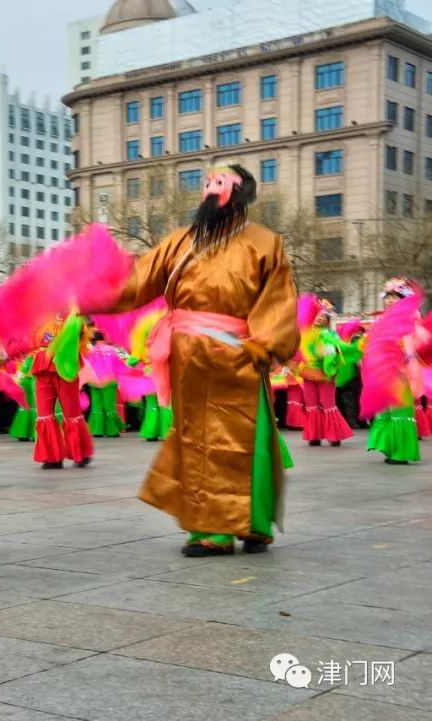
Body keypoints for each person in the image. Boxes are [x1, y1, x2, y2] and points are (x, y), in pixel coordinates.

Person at [106, 165, 298, 556]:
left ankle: (251, 524)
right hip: (189, 356)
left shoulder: (264, 242)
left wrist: (264, 345)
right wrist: (86, 287)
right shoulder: (180, 242)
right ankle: (213, 525)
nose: (212, 191)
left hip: (239, 353)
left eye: (221, 185)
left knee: (245, 438)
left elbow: (277, 299)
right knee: (198, 440)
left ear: (242, 194)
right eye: (208, 184)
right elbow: (136, 282)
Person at [366, 277, 422, 465]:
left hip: (402, 368)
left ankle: (401, 453)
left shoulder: (412, 315)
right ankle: (390, 448)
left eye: (395, 296)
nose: (390, 300)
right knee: (387, 409)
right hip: (385, 369)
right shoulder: (383, 318)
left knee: (400, 409)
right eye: (388, 296)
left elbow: (414, 341)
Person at [33, 317, 93, 470]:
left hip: (65, 367)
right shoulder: (41, 315)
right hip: (42, 367)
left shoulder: (75, 315)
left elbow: (81, 337)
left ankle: (81, 453)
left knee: (71, 413)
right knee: (44, 414)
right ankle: (52, 457)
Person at [298, 297, 357, 448]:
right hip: (308, 372)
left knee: (327, 404)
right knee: (311, 404)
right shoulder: (305, 333)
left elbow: (340, 350)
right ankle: (314, 436)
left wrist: (328, 352)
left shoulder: (331, 334)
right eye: (317, 315)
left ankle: (334, 436)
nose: (319, 318)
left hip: (325, 374)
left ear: (328, 319)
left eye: (322, 316)